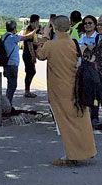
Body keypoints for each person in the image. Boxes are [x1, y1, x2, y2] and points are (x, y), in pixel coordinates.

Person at [34, 14, 97, 165]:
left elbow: (40, 55)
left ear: (55, 28)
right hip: (76, 86)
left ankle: (73, 155)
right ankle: (88, 149)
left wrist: (44, 36)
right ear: (69, 28)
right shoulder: (74, 43)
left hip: (59, 89)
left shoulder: (51, 45)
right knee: (81, 117)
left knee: (66, 122)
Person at [0, 20, 22, 111]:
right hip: (12, 65)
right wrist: (35, 30)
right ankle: (8, 105)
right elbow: (27, 37)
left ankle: (8, 104)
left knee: (10, 85)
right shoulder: (12, 37)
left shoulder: (4, 36)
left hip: (7, 65)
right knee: (12, 85)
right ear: (14, 28)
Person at [21, 14, 41, 97]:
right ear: (34, 22)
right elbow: (29, 44)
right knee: (30, 72)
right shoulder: (29, 31)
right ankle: (27, 91)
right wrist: (33, 56)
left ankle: (27, 90)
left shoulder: (32, 31)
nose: (37, 24)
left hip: (29, 53)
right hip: (28, 54)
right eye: (37, 22)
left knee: (31, 71)